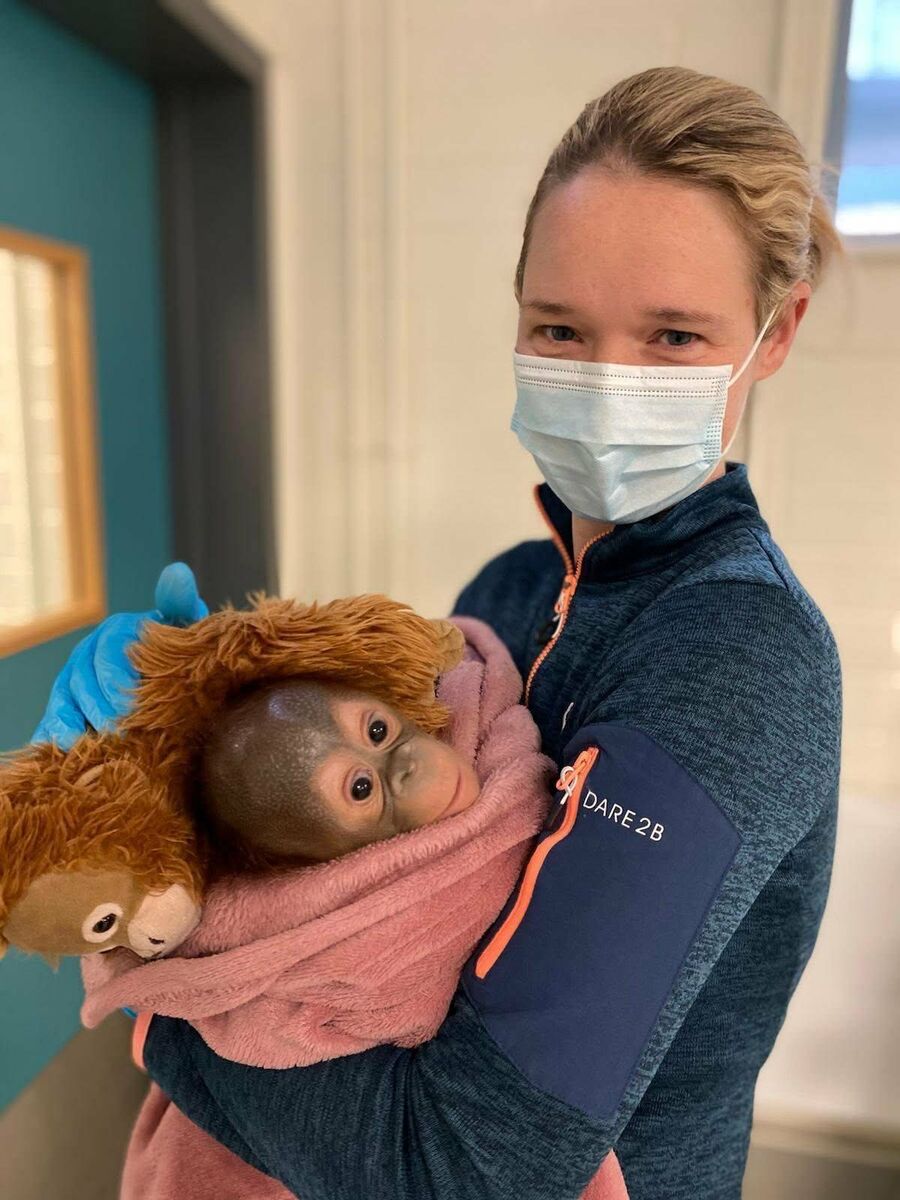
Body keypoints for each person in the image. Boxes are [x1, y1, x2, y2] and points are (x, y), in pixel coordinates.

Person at [33, 66, 844, 1199]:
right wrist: (181, 749)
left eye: (672, 336)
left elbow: (462, 1171)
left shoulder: (738, 660)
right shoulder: (507, 592)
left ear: (777, 330)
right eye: (560, 327)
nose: (607, 381)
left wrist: (161, 994)